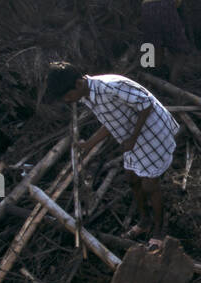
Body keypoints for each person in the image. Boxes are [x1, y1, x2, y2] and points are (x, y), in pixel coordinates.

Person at [45, 64, 177, 241]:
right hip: (133, 137)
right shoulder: (87, 96)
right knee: (132, 180)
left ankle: (159, 232)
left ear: (78, 84)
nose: (69, 101)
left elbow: (146, 105)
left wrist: (132, 138)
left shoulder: (109, 87)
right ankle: (144, 222)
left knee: (150, 185)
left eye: (69, 96)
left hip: (152, 131)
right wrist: (89, 144)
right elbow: (110, 121)